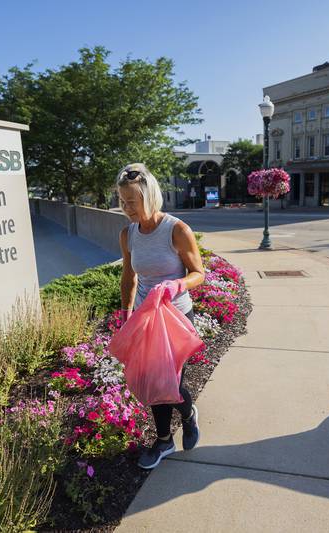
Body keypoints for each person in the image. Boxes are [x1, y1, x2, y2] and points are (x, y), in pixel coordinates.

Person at [117, 163, 206, 469]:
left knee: (168, 382)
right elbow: (129, 278)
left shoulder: (177, 230)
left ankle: (188, 412)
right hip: (146, 317)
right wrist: (126, 314)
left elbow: (199, 273)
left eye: (132, 201)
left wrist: (176, 284)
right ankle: (165, 440)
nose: (126, 208)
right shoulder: (128, 234)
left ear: (149, 196)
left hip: (176, 316)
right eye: (122, 201)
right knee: (153, 380)